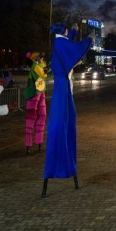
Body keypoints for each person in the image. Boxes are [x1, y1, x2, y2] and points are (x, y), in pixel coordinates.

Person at [42, 22, 92, 197]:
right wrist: (88, 40)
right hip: (62, 85)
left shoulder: (59, 41)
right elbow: (74, 48)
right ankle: (62, 165)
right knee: (62, 122)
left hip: (62, 84)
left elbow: (67, 45)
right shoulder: (60, 43)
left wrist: (74, 32)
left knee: (65, 119)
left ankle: (66, 166)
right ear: (62, 31)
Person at [24, 51, 48, 155]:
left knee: (42, 117)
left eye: (42, 57)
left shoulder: (41, 65)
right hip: (33, 94)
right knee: (31, 119)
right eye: (40, 57)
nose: (41, 58)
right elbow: (42, 74)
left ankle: (38, 142)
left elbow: (45, 74)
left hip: (41, 92)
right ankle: (28, 144)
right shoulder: (35, 66)